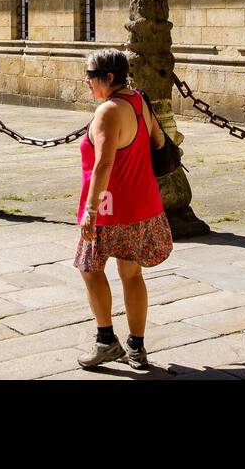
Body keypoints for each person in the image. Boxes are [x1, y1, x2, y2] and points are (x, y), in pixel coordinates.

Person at [74, 48, 173, 370]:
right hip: (142, 203)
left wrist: (90, 211)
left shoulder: (108, 111)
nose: (86, 82)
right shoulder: (138, 100)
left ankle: (106, 341)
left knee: (90, 269)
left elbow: (103, 164)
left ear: (109, 77)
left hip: (108, 207)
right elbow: (158, 141)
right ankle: (137, 347)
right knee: (131, 274)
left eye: (90, 76)